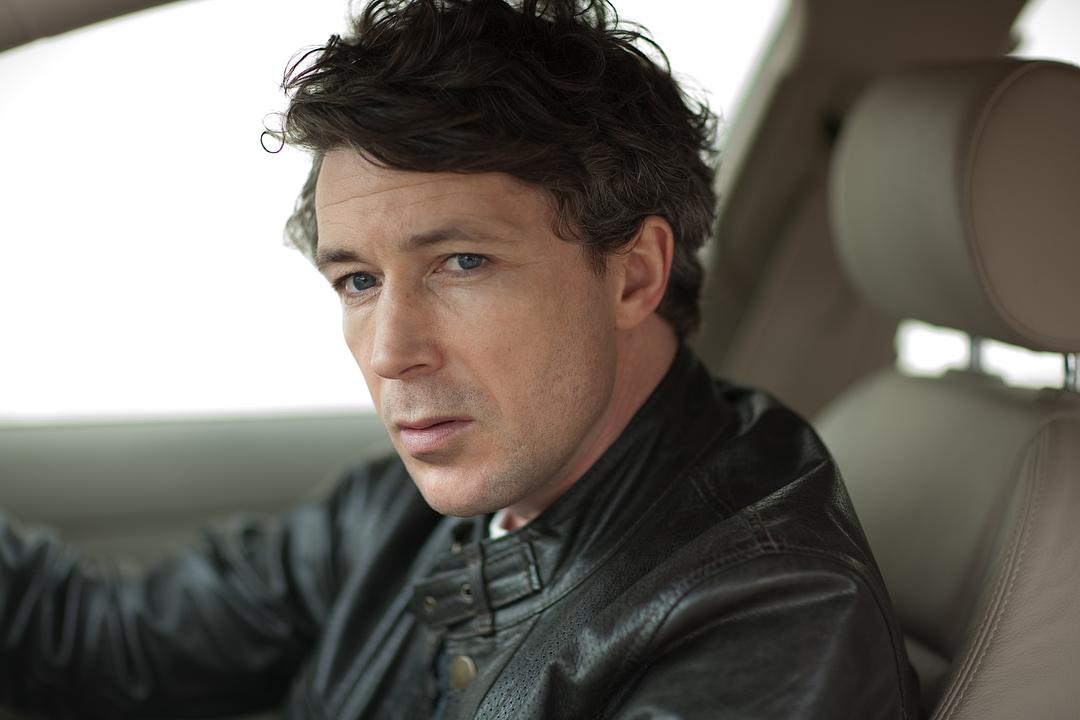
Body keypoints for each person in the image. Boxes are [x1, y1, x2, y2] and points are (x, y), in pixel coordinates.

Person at [0, 0, 918, 717]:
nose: (391, 353)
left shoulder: (768, 616)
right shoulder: (405, 509)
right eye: (359, 281)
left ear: (634, 274)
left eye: (462, 263)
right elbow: (105, 648)